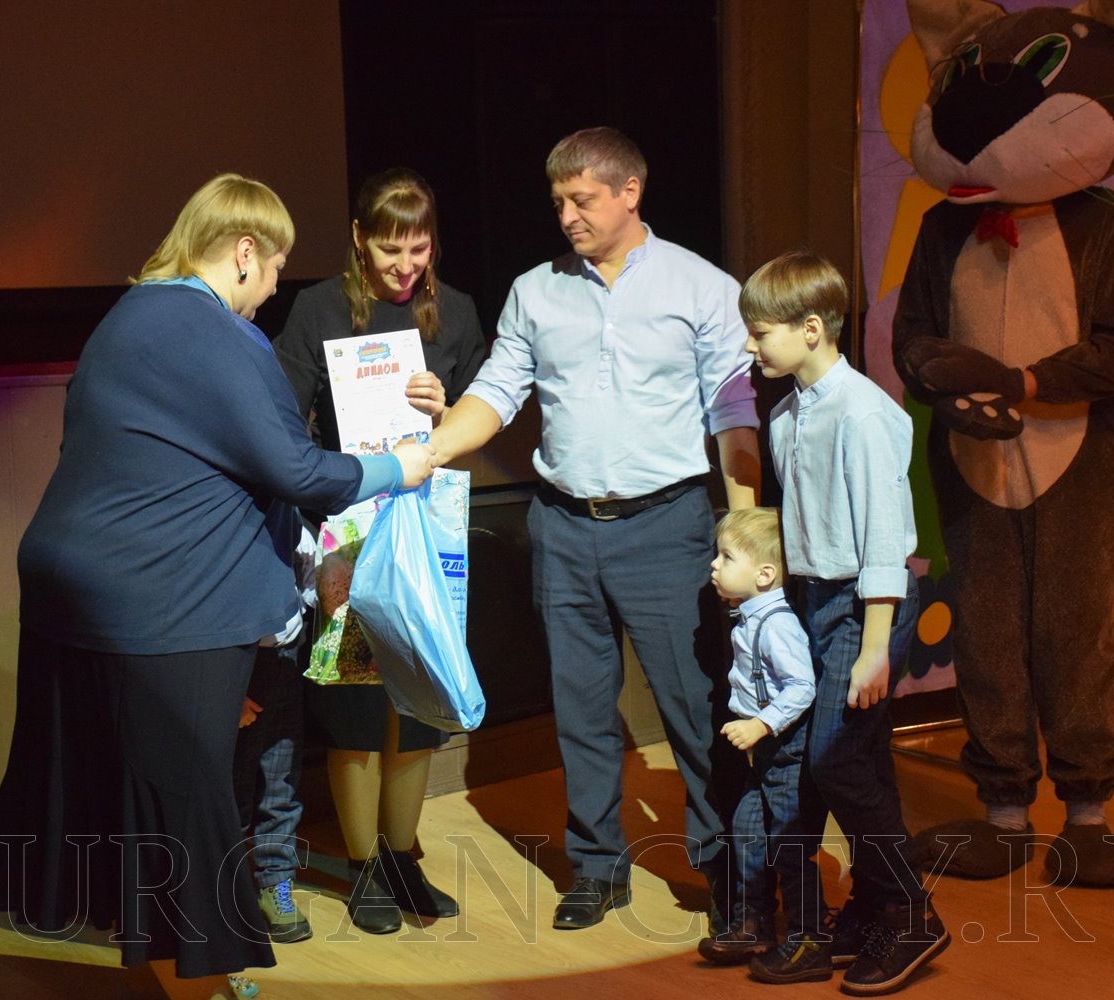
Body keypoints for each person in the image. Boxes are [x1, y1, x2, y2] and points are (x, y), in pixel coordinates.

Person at [0, 173, 435, 1000]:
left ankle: (144, 955)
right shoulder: (218, 332)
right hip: (163, 596)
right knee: (185, 798)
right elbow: (297, 470)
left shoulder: (126, 316)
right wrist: (402, 464)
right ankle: (208, 980)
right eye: (275, 269)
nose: (273, 292)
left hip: (67, 584)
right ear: (245, 251)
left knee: (109, 782)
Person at [429, 126, 761, 931]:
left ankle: (728, 875)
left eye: (581, 200)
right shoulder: (535, 291)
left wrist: (747, 523)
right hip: (564, 527)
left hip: (667, 526)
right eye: (558, 203)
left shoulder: (700, 286)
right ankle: (597, 868)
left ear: (629, 192)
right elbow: (497, 390)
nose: (567, 217)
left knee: (696, 708)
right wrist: (429, 450)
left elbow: (734, 412)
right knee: (579, 711)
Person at [272, 167, 485, 934]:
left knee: (417, 701)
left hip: (426, 526)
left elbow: (478, 420)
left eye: (418, 249)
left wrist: (446, 408)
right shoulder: (318, 308)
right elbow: (280, 415)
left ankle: (402, 856)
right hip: (349, 524)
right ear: (359, 239)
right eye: (390, 249)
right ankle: (363, 864)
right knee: (357, 703)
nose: (405, 265)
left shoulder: (455, 313)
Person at [737, 251, 947, 995]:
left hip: (865, 606)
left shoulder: (863, 412)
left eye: (761, 332)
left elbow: (885, 538)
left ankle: (911, 912)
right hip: (815, 602)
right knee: (860, 759)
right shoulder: (789, 413)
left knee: (835, 762)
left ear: (812, 328)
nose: (750, 346)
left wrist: (874, 647)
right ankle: (873, 906)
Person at [697, 507, 815, 966]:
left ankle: (807, 932)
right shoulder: (747, 618)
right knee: (748, 832)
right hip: (762, 756)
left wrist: (761, 724)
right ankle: (754, 922)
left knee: (788, 843)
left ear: (764, 575)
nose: (714, 564)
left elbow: (801, 686)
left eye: (726, 557)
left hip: (784, 751)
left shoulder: (776, 624)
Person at [231, 521, 320, 946]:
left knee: (280, 781)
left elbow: (309, 584)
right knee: (231, 785)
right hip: (234, 661)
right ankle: (228, 890)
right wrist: (228, 687)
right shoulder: (226, 518)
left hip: (285, 657)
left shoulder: (292, 521)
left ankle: (276, 883)